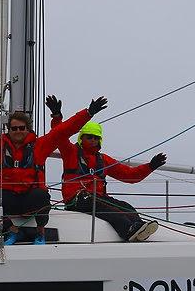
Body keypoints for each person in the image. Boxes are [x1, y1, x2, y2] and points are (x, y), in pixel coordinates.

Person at [0, 90, 107, 245]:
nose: (18, 131)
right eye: (14, 128)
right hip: (8, 199)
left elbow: (64, 131)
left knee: (41, 195)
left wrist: (89, 112)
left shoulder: (40, 146)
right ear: (8, 130)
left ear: (28, 129)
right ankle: (12, 230)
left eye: (22, 128)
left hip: (30, 200)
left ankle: (40, 232)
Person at [46, 95, 166, 241]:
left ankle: (138, 227)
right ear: (81, 138)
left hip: (98, 198)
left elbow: (129, 175)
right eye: (89, 137)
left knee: (125, 206)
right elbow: (59, 134)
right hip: (77, 199)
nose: (93, 140)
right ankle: (127, 230)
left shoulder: (102, 159)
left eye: (96, 137)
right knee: (104, 205)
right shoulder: (71, 152)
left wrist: (150, 166)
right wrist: (57, 116)